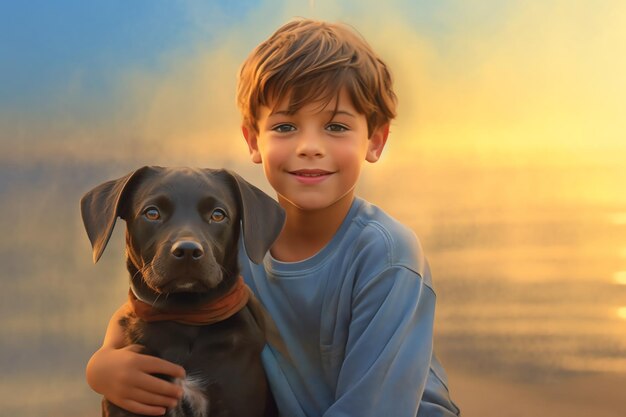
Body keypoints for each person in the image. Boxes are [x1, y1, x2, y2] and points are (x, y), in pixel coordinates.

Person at [86, 18, 460, 417]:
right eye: (285, 126)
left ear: (375, 140)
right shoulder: (239, 239)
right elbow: (149, 305)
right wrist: (103, 365)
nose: (310, 147)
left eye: (336, 126)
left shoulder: (386, 256)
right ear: (253, 140)